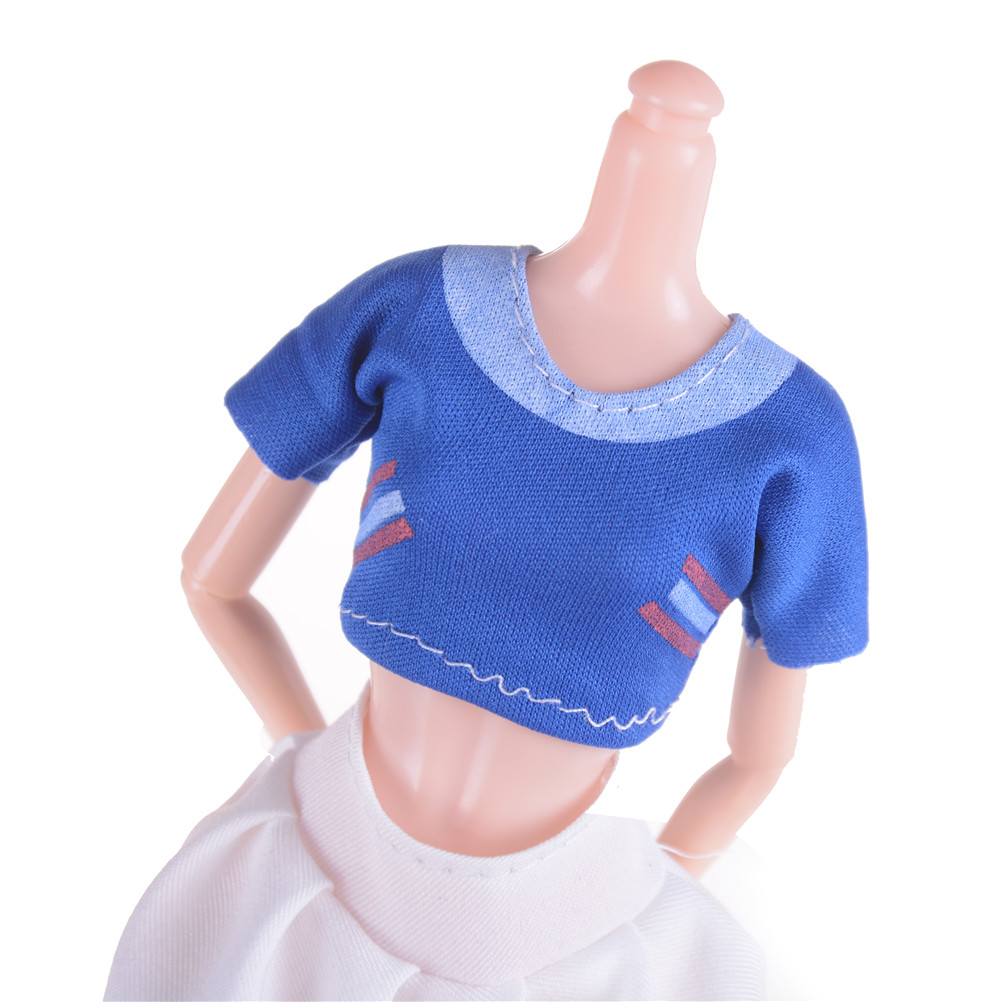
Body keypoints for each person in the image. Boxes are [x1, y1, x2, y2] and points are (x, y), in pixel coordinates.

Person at [106, 60, 867, 1001]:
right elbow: (212, 579)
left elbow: (762, 755)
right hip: (297, 886)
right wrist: (300, 764)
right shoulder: (417, 312)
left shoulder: (789, 438)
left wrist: (653, 892)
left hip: (580, 949)